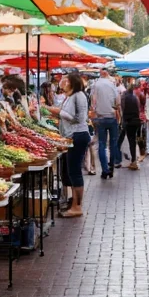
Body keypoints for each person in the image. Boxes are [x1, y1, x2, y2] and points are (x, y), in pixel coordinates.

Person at [45, 74, 90, 217]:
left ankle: (77, 207)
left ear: (71, 82)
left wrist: (54, 110)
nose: (62, 82)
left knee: (75, 171)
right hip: (73, 135)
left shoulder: (78, 96)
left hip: (77, 135)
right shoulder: (72, 96)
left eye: (65, 80)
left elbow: (75, 117)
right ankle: (74, 203)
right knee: (72, 171)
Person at [90, 69, 120, 178]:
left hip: (100, 118)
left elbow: (93, 103)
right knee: (113, 144)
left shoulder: (95, 85)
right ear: (107, 74)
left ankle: (104, 169)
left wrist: (94, 115)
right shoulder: (112, 84)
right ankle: (111, 167)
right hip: (112, 117)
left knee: (102, 144)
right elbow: (118, 101)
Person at [120, 82, 142, 170]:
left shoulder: (124, 97)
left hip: (128, 121)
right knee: (132, 140)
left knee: (131, 141)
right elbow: (138, 108)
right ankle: (133, 160)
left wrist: (123, 121)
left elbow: (123, 109)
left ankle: (133, 161)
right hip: (136, 121)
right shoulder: (135, 98)